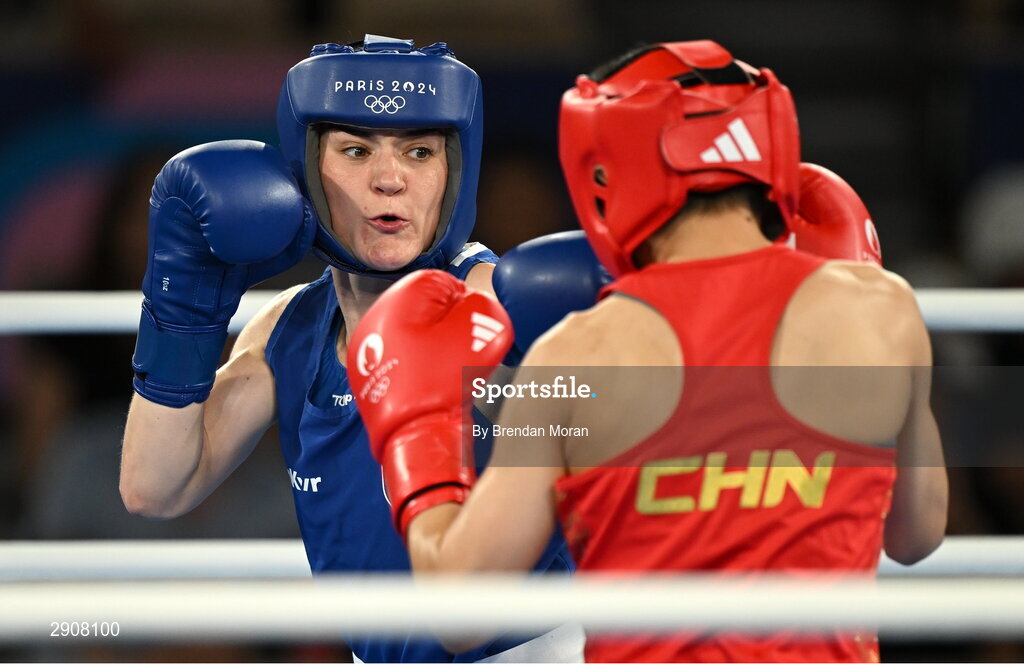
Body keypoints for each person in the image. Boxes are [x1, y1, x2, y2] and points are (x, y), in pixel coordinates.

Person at [348, 40, 949, 662]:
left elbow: (462, 613)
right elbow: (916, 535)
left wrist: (419, 426)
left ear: (606, 170)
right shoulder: (883, 311)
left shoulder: (577, 359)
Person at [119, 35, 589, 662]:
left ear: (455, 171)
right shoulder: (289, 329)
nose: (390, 180)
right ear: (307, 168)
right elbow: (155, 488)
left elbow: (615, 447)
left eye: (419, 151)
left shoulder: (493, 304)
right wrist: (184, 312)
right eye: (356, 149)